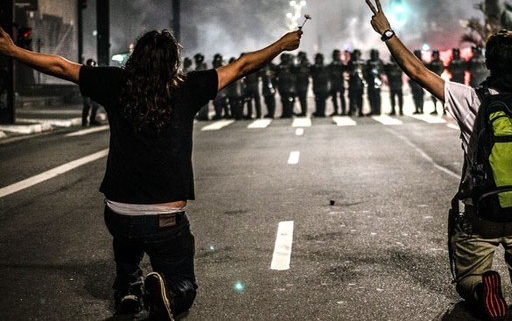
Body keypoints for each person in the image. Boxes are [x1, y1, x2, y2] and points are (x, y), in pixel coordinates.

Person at [0, 26, 302, 320]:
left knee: (126, 241)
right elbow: (243, 66)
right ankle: (169, 294)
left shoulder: (114, 83)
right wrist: (281, 44)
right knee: (183, 279)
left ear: (136, 58)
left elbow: (61, 66)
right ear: (173, 62)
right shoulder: (187, 88)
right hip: (164, 218)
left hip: (118, 212)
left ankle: (129, 288)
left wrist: (14, 51)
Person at [366, 0, 512, 321]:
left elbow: (417, 71)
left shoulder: (470, 100)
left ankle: (483, 286)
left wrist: (387, 32)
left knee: (467, 279)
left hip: (481, 215)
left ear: (487, 63)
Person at [81, 58, 101, 127]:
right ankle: (84, 121)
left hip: (92, 92)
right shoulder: (84, 72)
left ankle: (92, 120)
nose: (92, 67)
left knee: (95, 106)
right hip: (86, 91)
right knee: (87, 105)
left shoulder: (95, 72)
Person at [365, 49, 384, 115]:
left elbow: (382, 70)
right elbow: (365, 70)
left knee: (377, 96)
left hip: (377, 81)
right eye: (372, 54)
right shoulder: (368, 62)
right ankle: (372, 109)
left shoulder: (380, 62)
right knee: (371, 96)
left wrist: (377, 73)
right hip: (370, 81)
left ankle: (378, 110)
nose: (373, 56)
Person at [328, 49, 347, 116]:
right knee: (334, 98)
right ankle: (336, 111)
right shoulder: (332, 64)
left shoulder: (342, 63)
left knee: (341, 97)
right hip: (334, 83)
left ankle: (343, 111)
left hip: (340, 82)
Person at [310, 52, 330, 117]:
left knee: (322, 99)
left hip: (322, 85)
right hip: (317, 85)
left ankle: (321, 112)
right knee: (318, 99)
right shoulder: (315, 67)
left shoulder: (323, 67)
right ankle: (319, 111)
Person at [426, 50, 444, 115]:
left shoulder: (440, 62)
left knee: (441, 96)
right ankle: (435, 109)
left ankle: (443, 110)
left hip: (439, 80)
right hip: (433, 80)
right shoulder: (432, 63)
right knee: (433, 96)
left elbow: (441, 70)